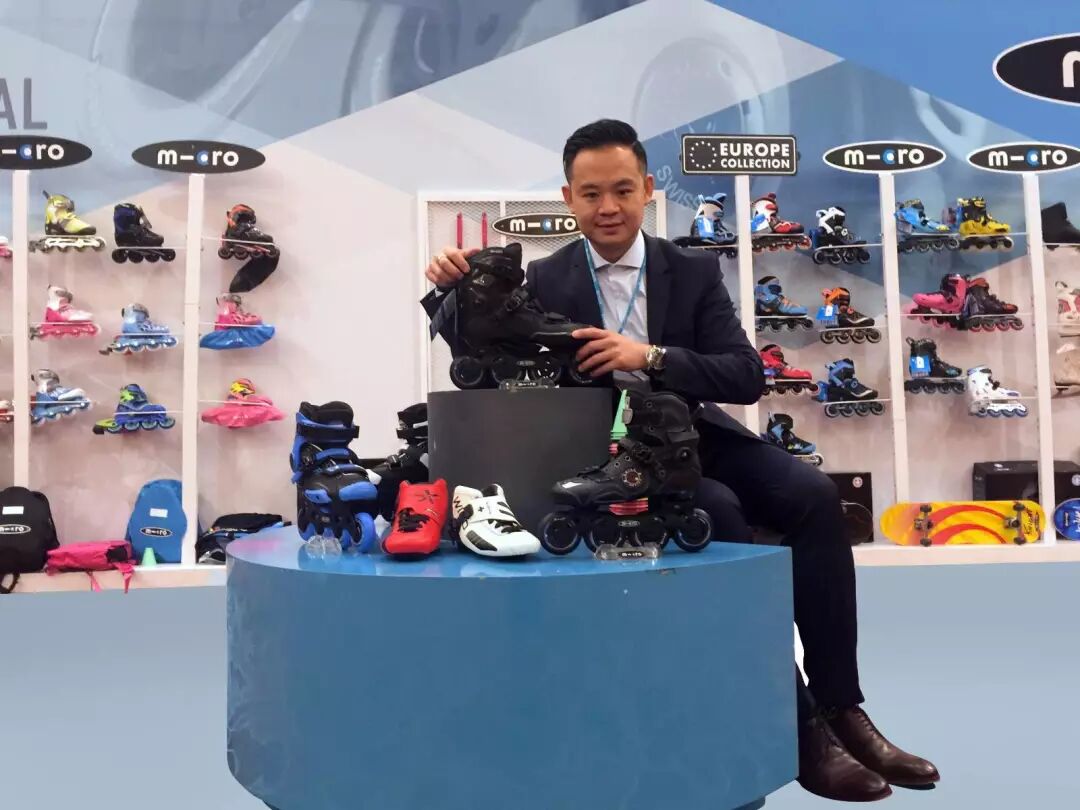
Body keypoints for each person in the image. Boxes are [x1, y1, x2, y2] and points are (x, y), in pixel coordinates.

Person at [425, 119, 939, 802]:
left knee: (813, 496)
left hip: (688, 427)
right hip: (596, 445)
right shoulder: (544, 278)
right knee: (718, 512)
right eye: (590, 194)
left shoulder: (690, 270)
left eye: (622, 190)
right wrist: (450, 284)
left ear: (646, 189)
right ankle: (800, 728)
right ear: (568, 199)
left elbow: (745, 375)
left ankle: (844, 707)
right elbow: (484, 338)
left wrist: (653, 356)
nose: (608, 207)